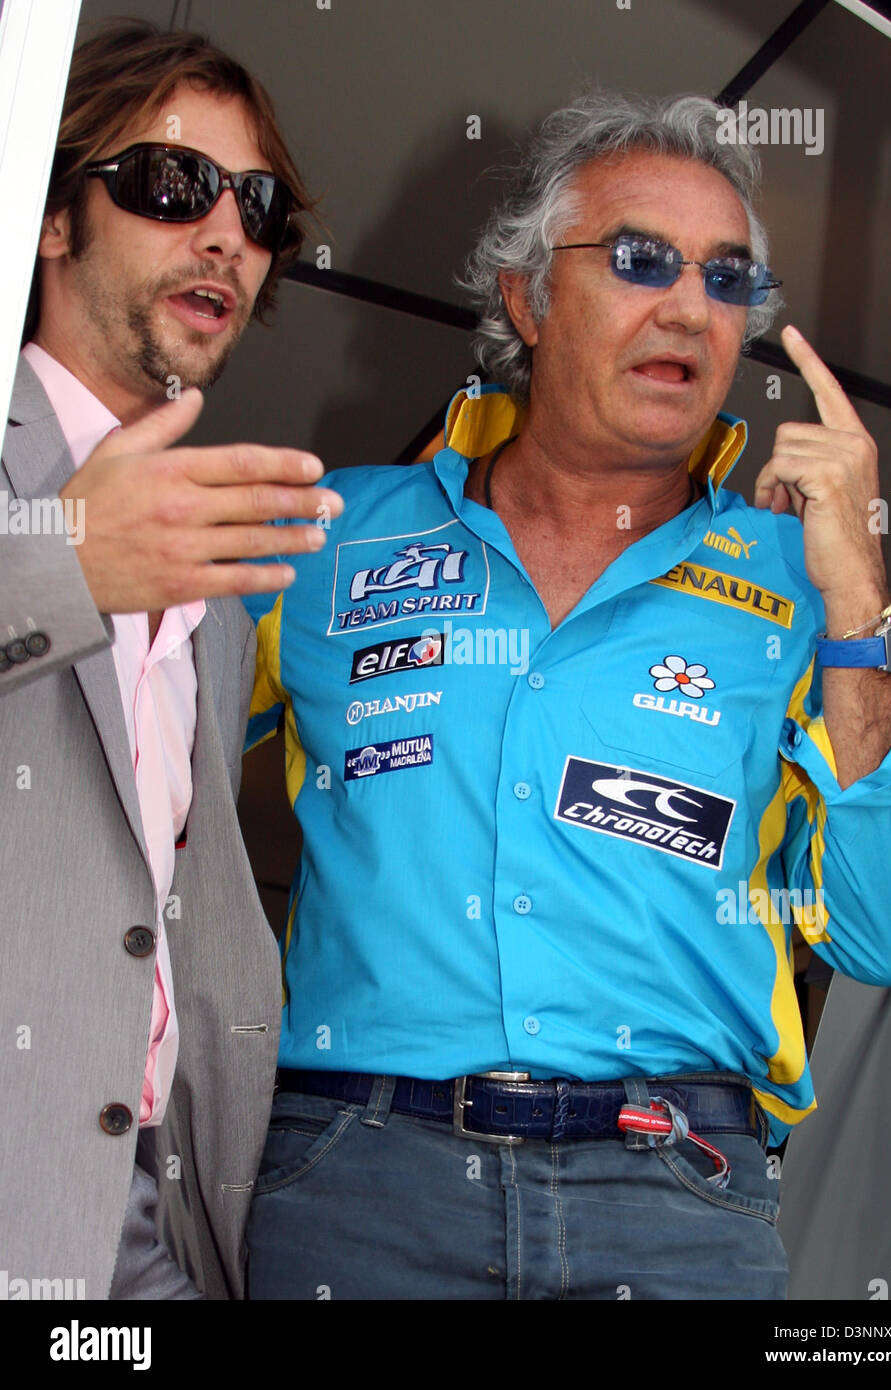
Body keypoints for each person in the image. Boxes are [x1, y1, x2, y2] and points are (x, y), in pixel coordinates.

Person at [243, 92, 891, 1300]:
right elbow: (127, 776)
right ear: (524, 297)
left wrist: (855, 590)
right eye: (639, 260)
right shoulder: (318, 540)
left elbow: (886, 933)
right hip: (359, 1184)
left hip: (672, 1202)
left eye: (728, 279)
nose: (689, 305)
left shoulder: (809, 590)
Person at [0, 21, 342, 1300]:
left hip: (155, 1218)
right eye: (169, 184)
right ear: (48, 218)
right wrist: (60, 570)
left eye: (253, 209)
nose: (222, 236)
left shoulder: (226, 564)